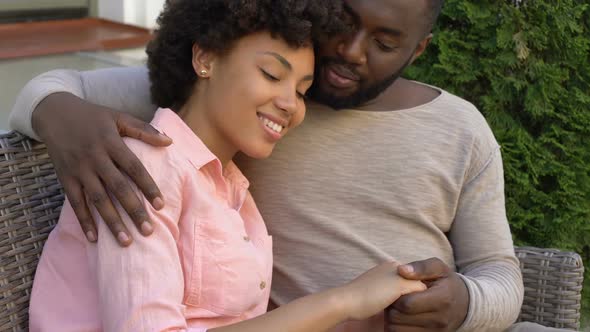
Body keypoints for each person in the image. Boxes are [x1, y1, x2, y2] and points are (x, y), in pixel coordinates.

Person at [11, 0, 537, 331]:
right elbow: (53, 90)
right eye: (345, 21)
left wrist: (465, 302)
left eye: (384, 42)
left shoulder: (236, 182)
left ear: (417, 50)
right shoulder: (187, 121)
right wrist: (63, 117)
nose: (351, 51)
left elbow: (500, 272)